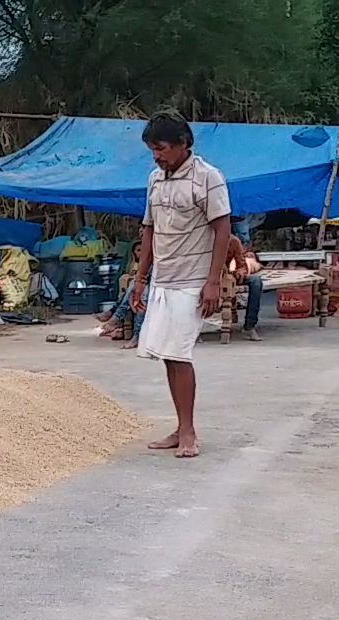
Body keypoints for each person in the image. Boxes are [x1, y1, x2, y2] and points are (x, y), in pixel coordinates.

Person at [130, 111, 232, 458]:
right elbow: (149, 229)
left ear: (183, 144)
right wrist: (140, 280)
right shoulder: (154, 180)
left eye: (160, 149)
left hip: (193, 279)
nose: (156, 156)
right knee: (167, 356)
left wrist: (213, 281)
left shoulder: (208, 178)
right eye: (152, 150)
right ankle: (179, 427)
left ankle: (188, 432)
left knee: (179, 353)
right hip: (163, 278)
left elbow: (223, 229)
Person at [226, 235, 264, 341]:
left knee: (256, 281)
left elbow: (242, 265)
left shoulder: (233, 241)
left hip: (229, 275)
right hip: (207, 275)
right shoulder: (204, 238)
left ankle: (249, 325)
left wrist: (239, 273)